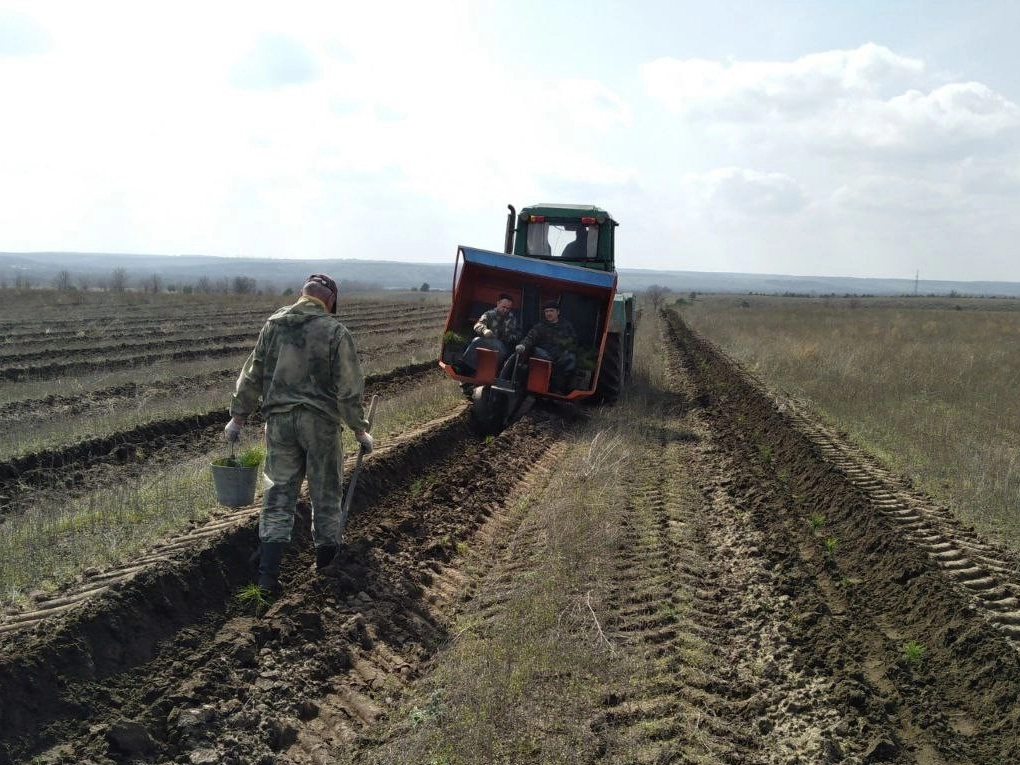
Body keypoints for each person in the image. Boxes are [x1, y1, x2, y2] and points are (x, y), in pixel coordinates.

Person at [224, 273, 374, 595]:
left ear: (300, 295)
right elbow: (348, 388)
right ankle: (326, 571)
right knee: (325, 495)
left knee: (277, 496)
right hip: (320, 425)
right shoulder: (334, 331)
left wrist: (237, 418)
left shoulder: (274, 325)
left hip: (278, 423)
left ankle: (266, 581)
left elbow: (252, 374)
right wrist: (360, 430)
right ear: (330, 301)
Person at [515, 299, 578, 392]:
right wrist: (523, 346)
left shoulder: (566, 326)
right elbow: (530, 338)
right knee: (537, 352)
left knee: (571, 358)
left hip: (561, 358)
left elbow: (573, 342)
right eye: (546, 311)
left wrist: (566, 351)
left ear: (558, 312)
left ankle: (562, 388)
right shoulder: (539, 327)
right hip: (545, 357)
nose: (549, 313)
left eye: (551, 311)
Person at [455, 293, 520, 375]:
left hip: (503, 347)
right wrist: (484, 330)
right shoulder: (489, 315)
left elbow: (518, 335)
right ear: (498, 303)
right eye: (503, 307)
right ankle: (465, 367)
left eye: (508, 308)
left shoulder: (513, 320)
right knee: (476, 340)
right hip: (487, 342)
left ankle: (490, 373)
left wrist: (510, 337)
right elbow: (478, 325)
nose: (505, 310)